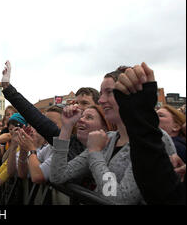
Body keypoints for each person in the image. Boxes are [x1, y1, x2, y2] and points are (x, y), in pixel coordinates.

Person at [50, 65, 177, 204]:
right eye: (101, 93)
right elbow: (58, 175)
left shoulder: (156, 139)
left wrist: (94, 153)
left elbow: (120, 200)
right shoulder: (107, 139)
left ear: (129, 95)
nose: (101, 100)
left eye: (109, 92)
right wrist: (66, 128)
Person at [113, 62, 185, 204]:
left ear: (177, 125)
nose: (102, 101)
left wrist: (141, 118)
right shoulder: (110, 137)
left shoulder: (172, 144)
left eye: (161, 115)